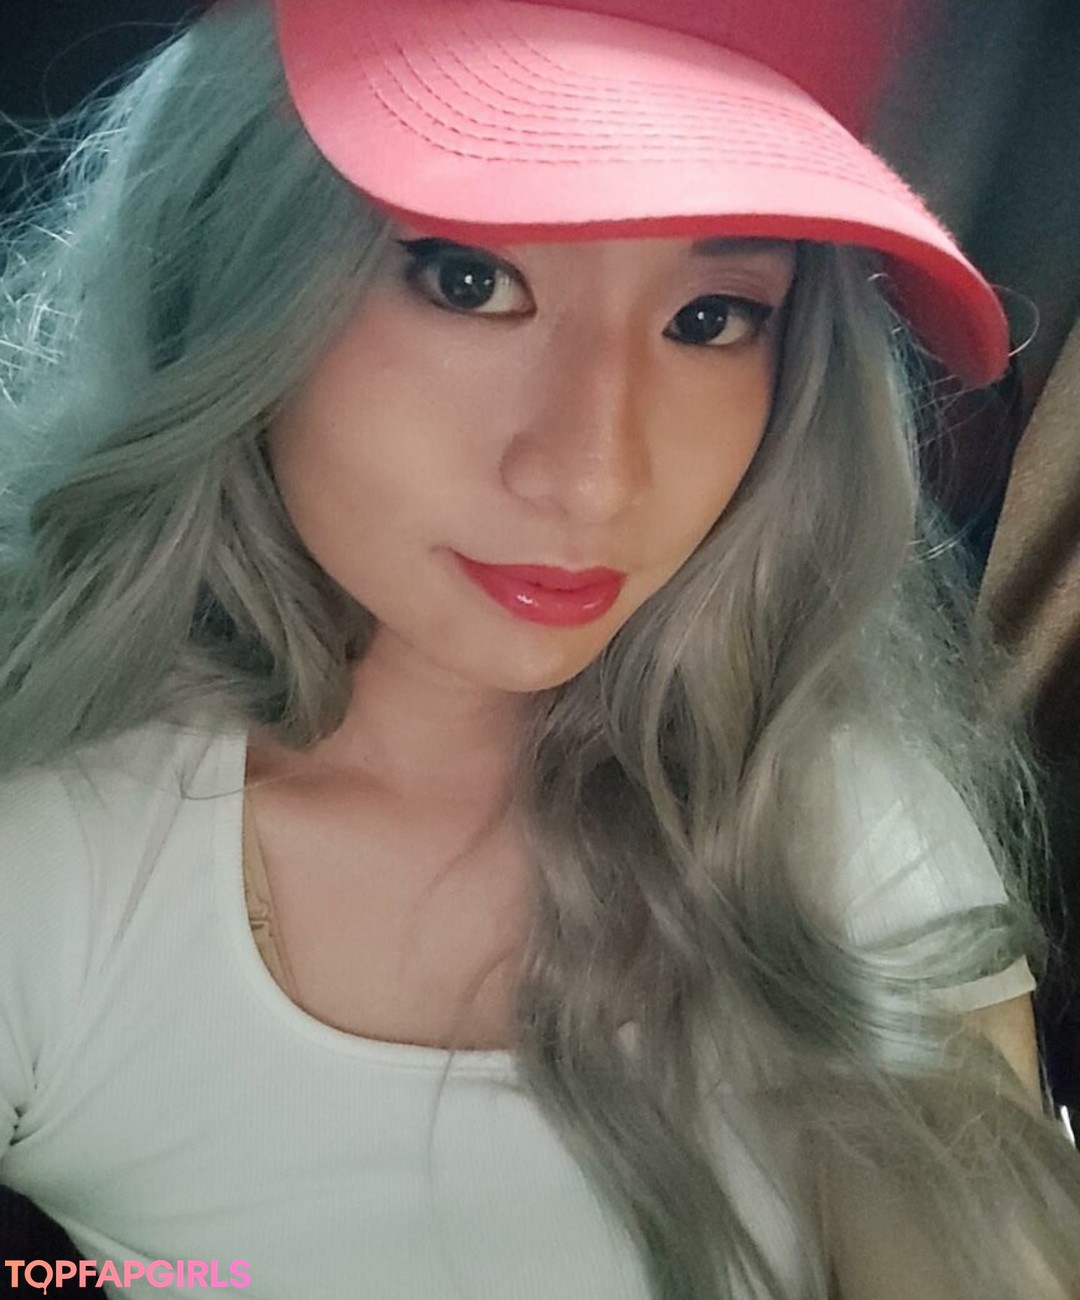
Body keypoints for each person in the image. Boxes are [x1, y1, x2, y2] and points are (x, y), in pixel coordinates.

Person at [0, 0, 1078, 1296]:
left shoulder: (822, 814)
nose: (593, 476)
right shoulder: (52, 862)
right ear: (230, 264)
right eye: (468, 280)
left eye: (711, 318)